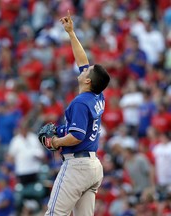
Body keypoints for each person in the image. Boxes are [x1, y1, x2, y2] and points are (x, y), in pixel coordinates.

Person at [44, 11, 110, 215]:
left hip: (77, 165)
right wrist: (71, 33)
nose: (83, 69)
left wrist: (55, 142)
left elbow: (77, 136)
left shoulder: (81, 102)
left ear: (88, 81)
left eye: (87, 71)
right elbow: (82, 60)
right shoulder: (98, 96)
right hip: (93, 167)